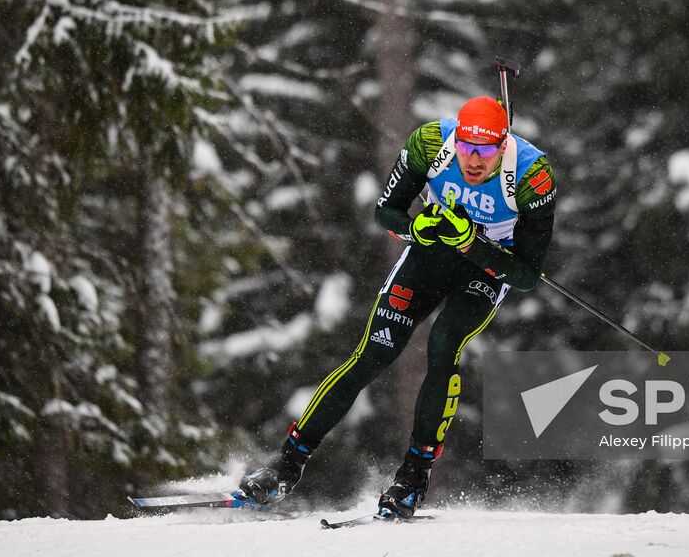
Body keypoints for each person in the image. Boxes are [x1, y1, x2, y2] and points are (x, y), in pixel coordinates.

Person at [233, 95, 559, 518]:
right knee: (372, 354)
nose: (473, 160)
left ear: (503, 146)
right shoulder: (430, 144)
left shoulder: (533, 176)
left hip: (484, 270)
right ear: (456, 139)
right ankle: (286, 465)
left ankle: (413, 477)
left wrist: (471, 244)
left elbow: (527, 275)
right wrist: (414, 227)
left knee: (444, 345)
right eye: (466, 147)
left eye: (485, 151)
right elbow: (386, 213)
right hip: (429, 257)